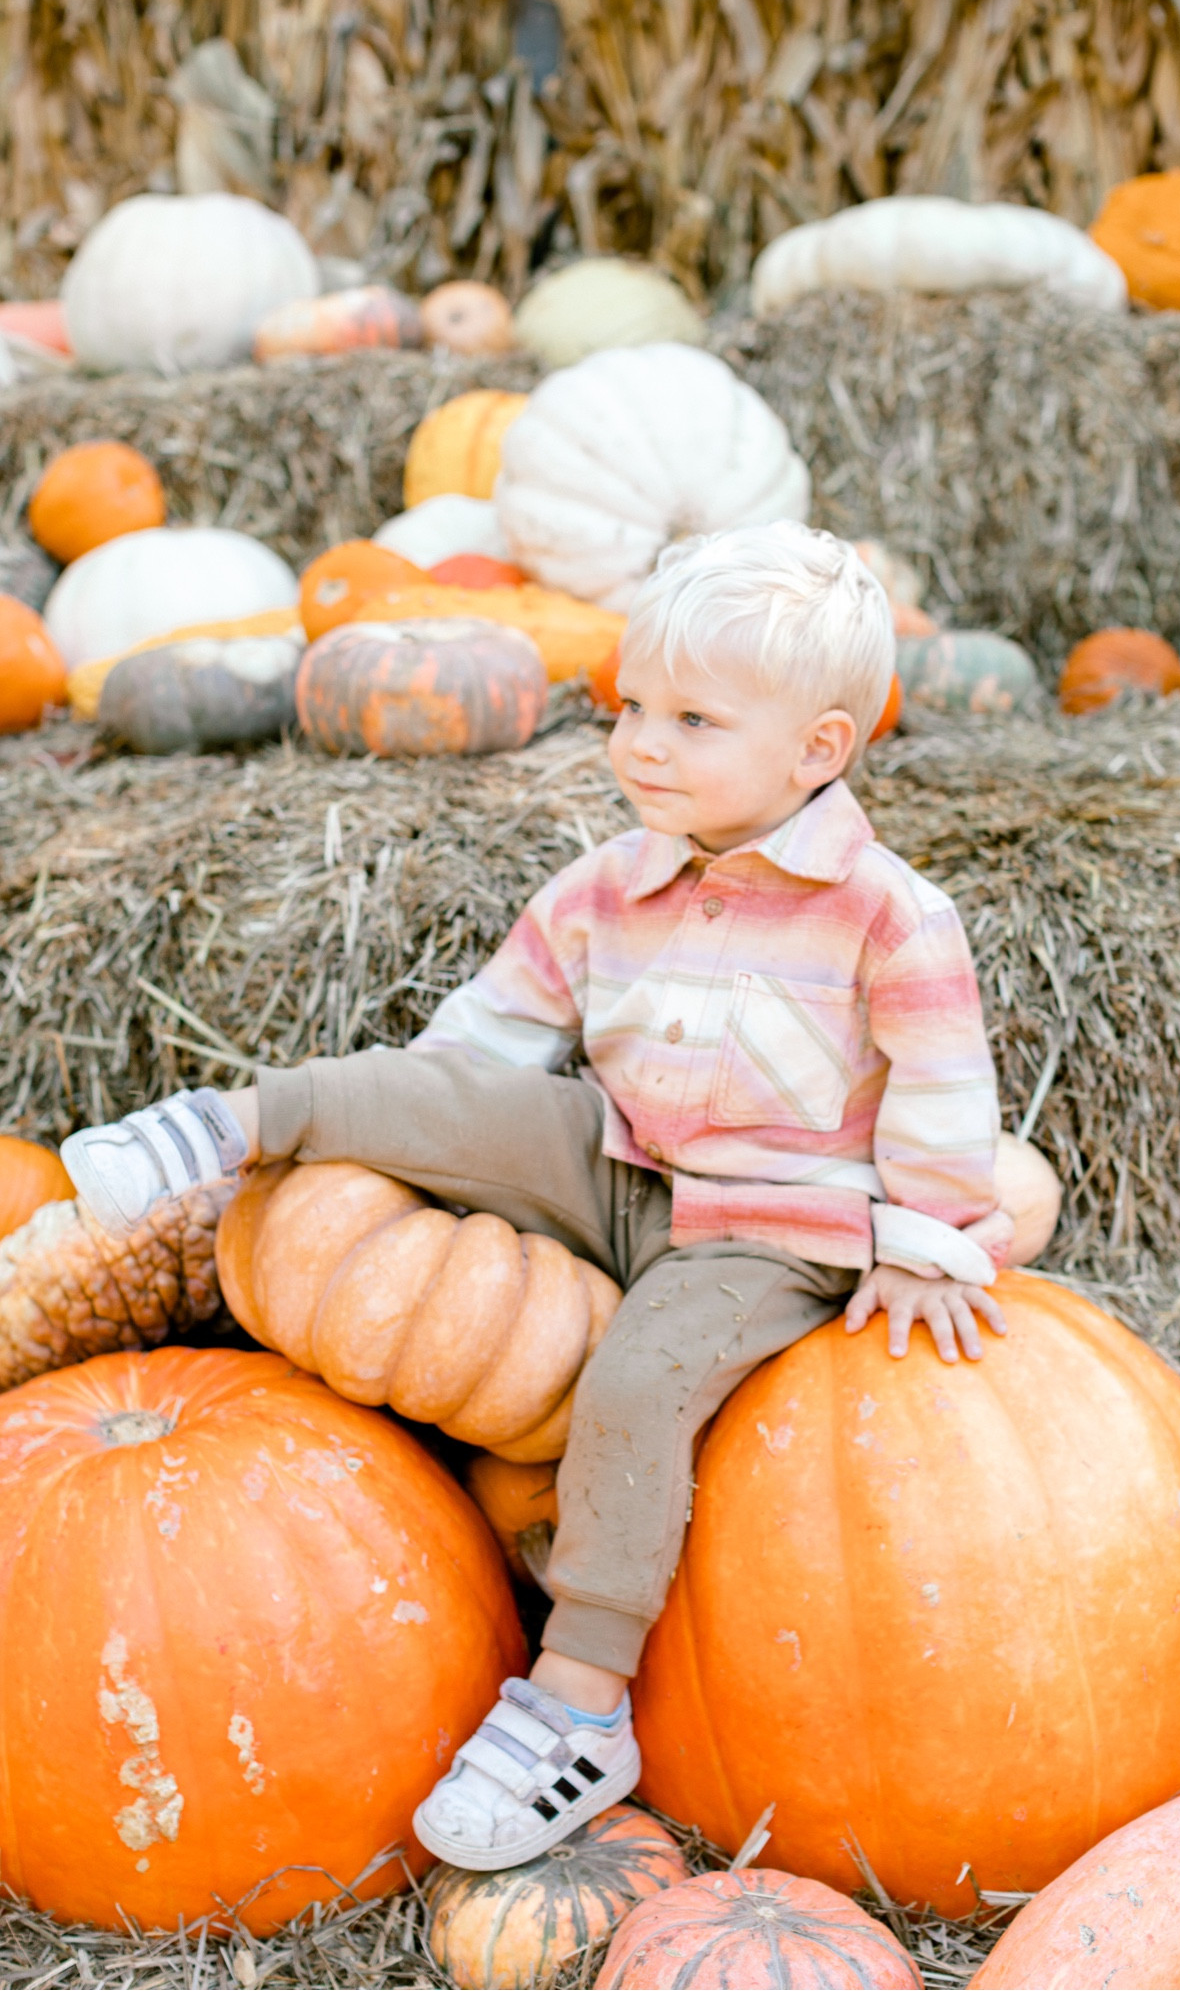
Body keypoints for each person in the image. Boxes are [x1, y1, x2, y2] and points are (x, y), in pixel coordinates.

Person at [63, 522, 1013, 1875]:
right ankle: (227, 1124)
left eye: (691, 717)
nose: (641, 739)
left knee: (635, 1381)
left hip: (771, 1225)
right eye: (630, 705)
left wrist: (925, 1243)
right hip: (622, 1162)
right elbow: (486, 1039)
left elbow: (938, 1085)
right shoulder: (605, 885)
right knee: (450, 1096)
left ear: (818, 748)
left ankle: (575, 1698)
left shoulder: (885, 916)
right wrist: (426, 1127)